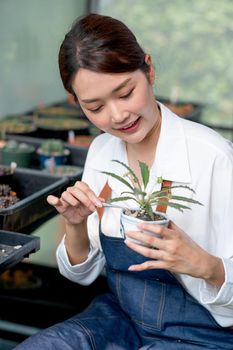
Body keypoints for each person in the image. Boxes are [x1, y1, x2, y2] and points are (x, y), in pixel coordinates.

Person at [15, 13, 233, 350]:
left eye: (125, 93)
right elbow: (81, 275)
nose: (117, 116)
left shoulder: (214, 157)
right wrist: (76, 226)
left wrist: (204, 265)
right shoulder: (102, 151)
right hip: (121, 319)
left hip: (204, 335)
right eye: (95, 106)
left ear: (149, 69)